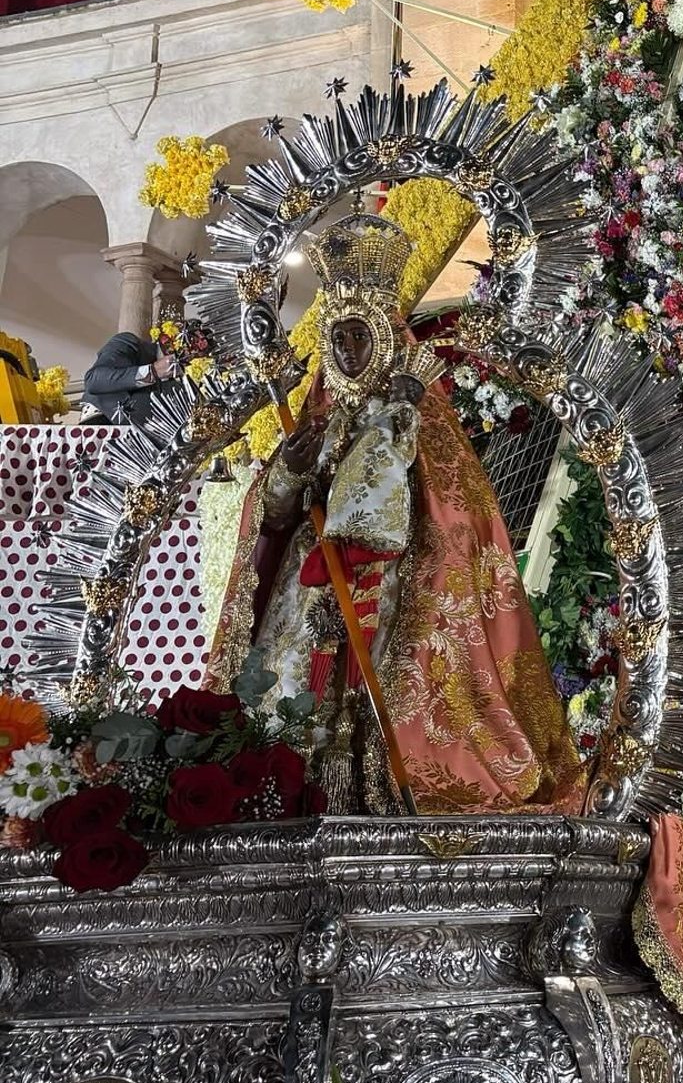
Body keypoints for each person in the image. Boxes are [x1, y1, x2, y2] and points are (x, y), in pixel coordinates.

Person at [205, 212, 584, 816]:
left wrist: (393, 421)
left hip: (394, 586)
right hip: (309, 583)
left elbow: (403, 514)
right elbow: (273, 519)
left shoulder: (414, 419)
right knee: (294, 691)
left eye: (359, 336)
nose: (347, 351)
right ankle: (289, 786)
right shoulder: (316, 420)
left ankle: (380, 788)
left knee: (382, 692)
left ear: (382, 338)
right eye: (338, 338)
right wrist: (289, 471)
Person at [81, 329, 174, 425]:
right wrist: (152, 371)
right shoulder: (131, 343)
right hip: (101, 425)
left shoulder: (182, 384)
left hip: (147, 434)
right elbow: (93, 380)